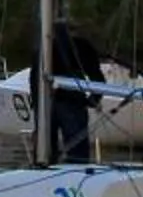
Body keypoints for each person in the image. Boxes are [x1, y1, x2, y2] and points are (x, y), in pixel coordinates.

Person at [45, 17, 108, 164]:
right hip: (66, 101)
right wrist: (93, 99)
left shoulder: (47, 45)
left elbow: (96, 77)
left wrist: (93, 99)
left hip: (58, 101)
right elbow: (97, 78)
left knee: (51, 149)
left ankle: (50, 166)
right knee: (76, 151)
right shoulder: (80, 46)